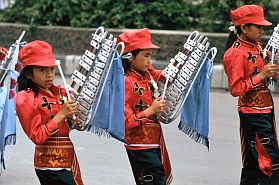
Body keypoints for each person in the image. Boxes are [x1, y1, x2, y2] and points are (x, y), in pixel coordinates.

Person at [223, 4, 279, 185]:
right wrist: (261, 75)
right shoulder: (235, 53)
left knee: (253, 162)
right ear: (244, 27)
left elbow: (267, 74)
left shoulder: (256, 47)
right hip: (252, 113)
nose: (262, 30)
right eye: (258, 26)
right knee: (271, 160)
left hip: (265, 109)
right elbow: (235, 89)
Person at [16, 40, 83, 185]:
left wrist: (72, 118)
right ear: (29, 74)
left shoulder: (59, 92)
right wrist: (61, 115)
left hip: (68, 159)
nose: (49, 75)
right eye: (42, 70)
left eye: (52, 69)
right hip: (50, 164)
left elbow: (65, 128)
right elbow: (37, 136)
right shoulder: (26, 98)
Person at [117, 28, 172, 185]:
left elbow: (163, 77)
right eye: (146, 56)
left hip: (152, 141)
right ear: (130, 58)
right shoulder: (126, 82)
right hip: (139, 146)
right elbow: (125, 122)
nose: (150, 61)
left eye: (150, 56)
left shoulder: (146, 73)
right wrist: (151, 110)